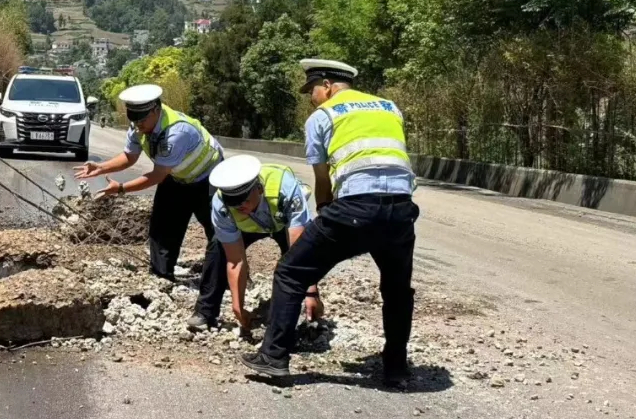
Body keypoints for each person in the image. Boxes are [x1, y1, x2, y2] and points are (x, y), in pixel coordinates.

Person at [239, 59, 420, 389]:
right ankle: (396, 368)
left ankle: (274, 356)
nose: (311, 98)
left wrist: (324, 211)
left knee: (291, 271)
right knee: (397, 290)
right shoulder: (389, 107)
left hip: (354, 207)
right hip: (401, 209)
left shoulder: (322, 116)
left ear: (327, 85)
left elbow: (322, 178)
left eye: (312, 90)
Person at [74, 84, 224, 281]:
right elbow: (129, 157)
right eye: (134, 120)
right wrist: (101, 168)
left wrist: (120, 188)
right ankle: (161, 276)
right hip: (176, 175)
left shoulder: (177, 132)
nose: (138, 126)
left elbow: (156, 176)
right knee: (163, 226)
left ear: (156, 110)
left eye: (143, 119)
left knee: (218, 230)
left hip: (209, 178)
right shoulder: (138, 126)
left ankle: (221, 280)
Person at [188, 155, 325, 332]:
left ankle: (303, 312)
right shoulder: (221, 204)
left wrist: (311, 291)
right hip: (248, 226)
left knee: (294, 260)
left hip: (283, 222)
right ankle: (205, 312)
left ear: (259, 189)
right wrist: (238, 307)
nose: (240, 207)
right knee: (217, 249)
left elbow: (301, 252)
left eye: (244, 200)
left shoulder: (285, 188)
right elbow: (235, 261)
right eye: (234, 204)